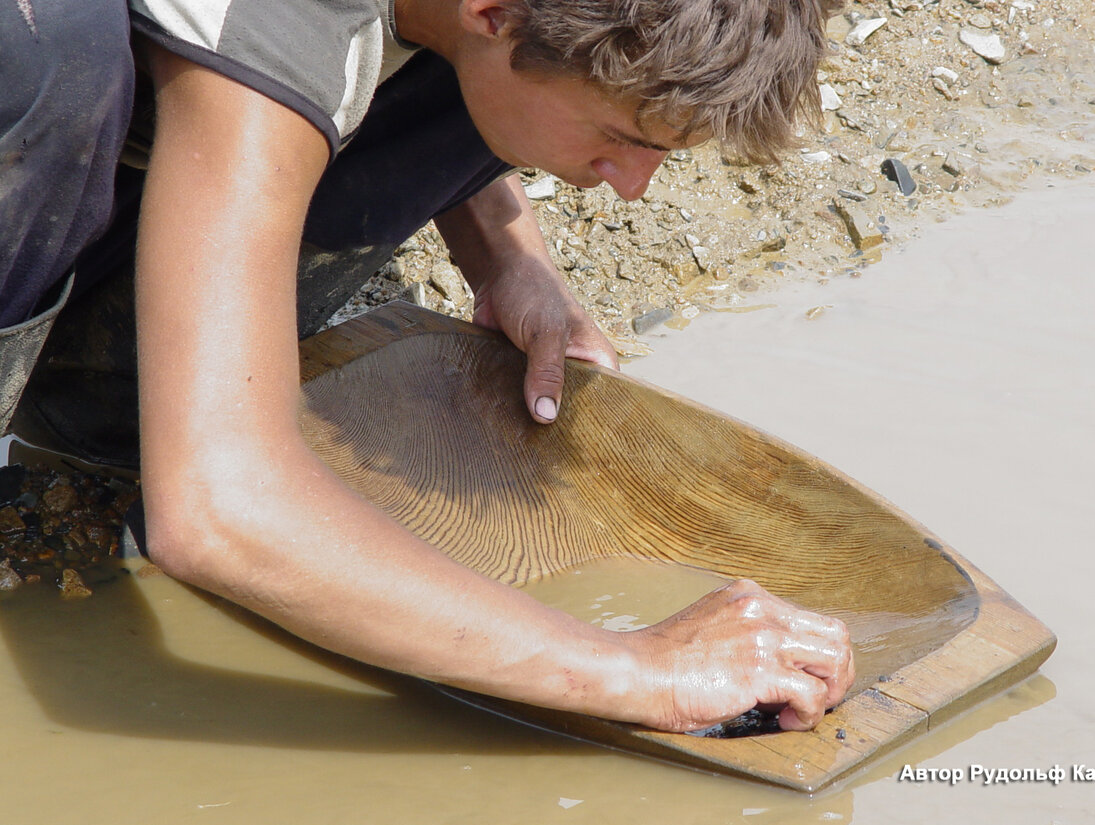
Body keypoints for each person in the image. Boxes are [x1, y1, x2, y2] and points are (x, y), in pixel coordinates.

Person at [0, 0, 853, 733]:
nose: (632, 186)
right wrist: (637, 670)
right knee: (44, 55)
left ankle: (109, 426)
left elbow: (453, 41)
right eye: (622, 138)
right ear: (493, 11)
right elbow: (220, 509)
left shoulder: (485, 19)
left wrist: (509, 253)